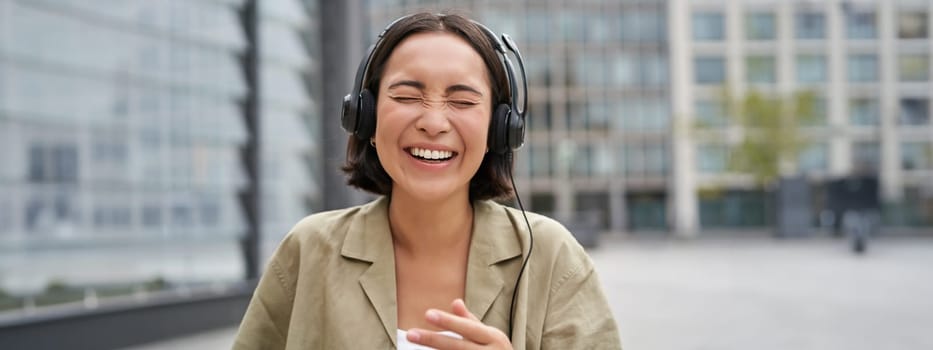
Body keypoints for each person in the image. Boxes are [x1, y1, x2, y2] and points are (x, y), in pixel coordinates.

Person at [233, 12, 621, 349]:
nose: (433, 122)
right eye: (406, 96)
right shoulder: (309, 250)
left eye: (462, 102)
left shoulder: (552, 257)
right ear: (365, 118)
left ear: (500, 130)